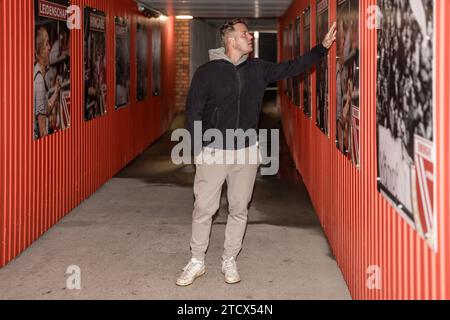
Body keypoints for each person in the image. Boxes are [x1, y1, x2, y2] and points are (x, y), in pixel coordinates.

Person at [177, 18, 336, 286]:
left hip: (247, 151)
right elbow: (193, 111)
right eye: (244, 33)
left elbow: (291, 67)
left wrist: (321, 48)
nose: (249, 37)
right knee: (204, 209)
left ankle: (229, 259)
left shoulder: (258, 69)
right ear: (230, 40)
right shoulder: (207, 72)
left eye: (249, 33)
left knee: (239, 209)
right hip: (213, 151)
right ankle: (197, 260)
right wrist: (197, 151)